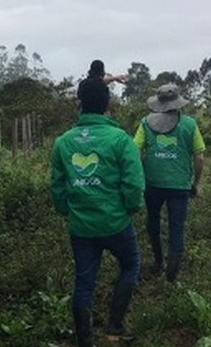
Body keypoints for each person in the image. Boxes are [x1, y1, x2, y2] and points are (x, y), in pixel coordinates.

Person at [51, 78, 145, 346]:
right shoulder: (121, 140)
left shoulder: (63, 142)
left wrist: (65, 210)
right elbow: (134, 184)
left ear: (80, 104)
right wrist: (131, 208)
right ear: (108, 105)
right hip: (116, 224)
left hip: (81, 227)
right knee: (131, 264)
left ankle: (85, 341)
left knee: (84, 283)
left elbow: (57, 186)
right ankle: (114, 328)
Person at [134, 84, 205, 282]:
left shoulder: (145, 123)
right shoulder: (190, 124)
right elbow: (199, 157)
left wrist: (142, 173)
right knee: (177, 227)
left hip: (152, 184)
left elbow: (134, 150)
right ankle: (172, 274)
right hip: (180, 186)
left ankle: (158, 261)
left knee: (153, 221)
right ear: (178, 102)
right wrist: (195, 183)